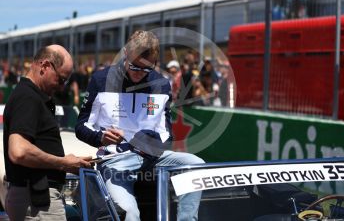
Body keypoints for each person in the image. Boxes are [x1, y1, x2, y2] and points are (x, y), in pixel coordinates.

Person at [75, 30, 204, 221]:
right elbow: (81, 125)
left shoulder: (162, 84)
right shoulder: (101, 80)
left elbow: (166, 135)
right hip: (115, 161)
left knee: (195, 164)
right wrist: (100, 137)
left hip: (151, 157)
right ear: (126, 54)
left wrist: (150, 141)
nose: (138, 75)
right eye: (134, 67)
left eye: (146, 70)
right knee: (131, 214)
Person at [3, 44, 92, 220]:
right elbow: (19, 152)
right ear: (45, 66)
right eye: (60, 80)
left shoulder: (30, 95)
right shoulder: (28, 97)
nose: (61, 87)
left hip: (36, 198)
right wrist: (63, 163)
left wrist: (69, 162)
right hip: (38, 201)